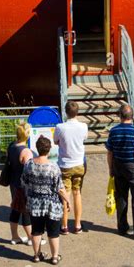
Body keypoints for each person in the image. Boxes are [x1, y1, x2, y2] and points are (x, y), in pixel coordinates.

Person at [105, 104, 134, 241]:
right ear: (132, 116)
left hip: (119, 167)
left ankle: (122, 227)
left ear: (120, 116)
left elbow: (109, 152)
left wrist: (111, 168)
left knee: (121, 198)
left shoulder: (113, 131)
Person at [21, 135, 71, 265]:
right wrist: (67, 200)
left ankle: (37, 255)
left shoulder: (29, 165)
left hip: (34, 204)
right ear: (49, 150)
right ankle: (54, 257)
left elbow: (23, 182)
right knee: (53, 232)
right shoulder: (53, 167)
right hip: (52, 205)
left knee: (36, 231)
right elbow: (59, 188)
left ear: (37, 149)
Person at [53, 100, 88, 234]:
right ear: (77, 112)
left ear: (65, 112)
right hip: (79, 164)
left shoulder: (60, 127)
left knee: (64, 194)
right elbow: (83, 138)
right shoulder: (83, 126)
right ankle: (78, 225)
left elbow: (56, 141)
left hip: (64, 165)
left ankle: (64, 226)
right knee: (77, 193)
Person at [7, 122, 33, 245]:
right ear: (27, 135)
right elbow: (30, 171)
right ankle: (31, 238)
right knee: (26, 211)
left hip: (13, 183)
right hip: (23, 186)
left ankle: (15, 236)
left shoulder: (11, 146)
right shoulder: (26, 152)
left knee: (15, 209)